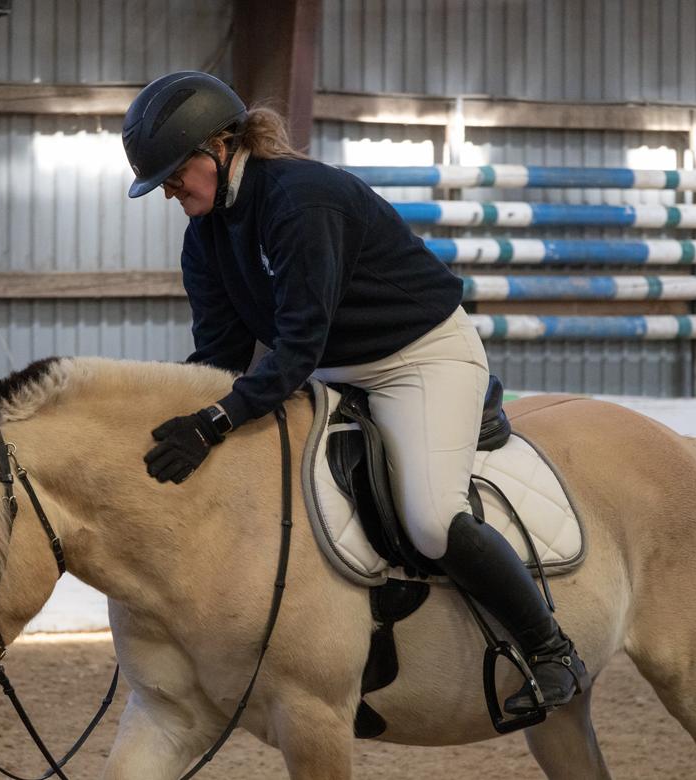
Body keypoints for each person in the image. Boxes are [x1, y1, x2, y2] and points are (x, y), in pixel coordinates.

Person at [121, 70, 589, 715]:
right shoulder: (205, 237)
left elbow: (295, 347)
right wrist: (185, 415)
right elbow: (220, 357)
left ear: (220, 146)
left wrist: (216, 421)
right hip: (334, 371)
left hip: (420, 357)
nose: (169, 189)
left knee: (429, 520)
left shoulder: (301, 201)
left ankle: (550, 647)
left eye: (174, 172)